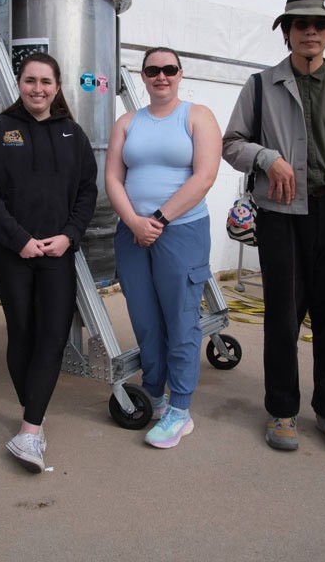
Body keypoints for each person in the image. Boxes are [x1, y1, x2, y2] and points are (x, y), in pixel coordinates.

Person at [222, 0, 325, 455]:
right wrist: (267, 157)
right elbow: (232, 144)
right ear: (287, 32)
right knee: (283, 319)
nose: (310, 32)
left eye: (320, 25)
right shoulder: (260, 85)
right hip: (281, 217)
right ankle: (282, 410)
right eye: (300, 24)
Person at [0, 52, 98, 472]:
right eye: (30, 81)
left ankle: (29, 429)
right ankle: (35, 417)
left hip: (57, 253)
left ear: (57, 86)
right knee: (22, 331)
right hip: (13, 254)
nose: (38, 89)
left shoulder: (72, 135)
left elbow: (86, 192)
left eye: (46, 81)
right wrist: (19, 239)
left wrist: (69, 236)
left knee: (52, 334)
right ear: (19, 85)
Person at [105, 47, 222, 449]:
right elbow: (113, 179)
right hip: (133, 233)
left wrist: (158, 220)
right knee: (145, 320)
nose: (161, 76)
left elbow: (205, 176)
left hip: (180, 232)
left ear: (179, 73)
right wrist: (135, 222)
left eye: (168, 69)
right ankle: (154, 393)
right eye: (153, 70)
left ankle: (180, 409)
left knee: (181, 319)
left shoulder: (197, 116)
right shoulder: (126, 122)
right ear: (143, 75)